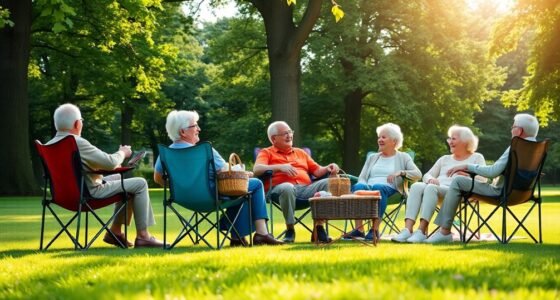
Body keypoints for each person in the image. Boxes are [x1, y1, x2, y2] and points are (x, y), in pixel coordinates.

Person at [153, 110, 284, 246]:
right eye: (195, 126)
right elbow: (227, 172)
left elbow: (158, 178)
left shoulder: (165, 153)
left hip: (182, 199)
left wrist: (181, 188)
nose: (199, 129)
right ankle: (260, 234)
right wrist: (244, 173)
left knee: (239, 193)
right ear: (182, 132)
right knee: (253, 184)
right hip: (211, 197)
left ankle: (237, 237)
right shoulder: (204, 151)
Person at [48, 103, 165, 248]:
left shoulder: (49, 145)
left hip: (62, 196)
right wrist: (123, 152)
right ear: (77, 124)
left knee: (119, 180)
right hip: (89, 193)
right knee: (140, 183)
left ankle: (115, 232)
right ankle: (143, 236)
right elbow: (110, 163)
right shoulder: (76, 142)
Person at [426, 113, 540, 243]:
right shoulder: (536, 148)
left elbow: (492, 172)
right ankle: (445, 230)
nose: (511, 129)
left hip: (501, 192)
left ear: (519, 131)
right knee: (460, 181)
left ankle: (444, 232)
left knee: (458, 180)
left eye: (513, 126)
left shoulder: (516, 146)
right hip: (523, 194)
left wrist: (467, 166)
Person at [391, 125, 485, 243]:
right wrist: (430, 179)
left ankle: (421, 231)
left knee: (431, 188)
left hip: (459, 194)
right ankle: (407, 230)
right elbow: (427, 175)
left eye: (453, 139)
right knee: (416, 186)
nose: (450, 142)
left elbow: (482, 181)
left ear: (466, 141)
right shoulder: (444, 159)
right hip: (436, 190)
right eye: (449, 139)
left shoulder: (477, 157)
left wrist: (467, 177)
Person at [253, 121, 340, 243]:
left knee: (331, 182)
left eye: (290, 132)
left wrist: (329, 167)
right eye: (285, 133)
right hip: (279, 191)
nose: (289, 136)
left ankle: (318, 228)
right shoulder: (266, 152)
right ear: (274, 139)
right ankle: (290, 229)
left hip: (305, 189)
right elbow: (257, 169)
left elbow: (318, 171)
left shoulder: (300, 152)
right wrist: (280, 167)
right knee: (287, 187)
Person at [343, 123, 422, 241]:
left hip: (391, 190)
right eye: (379, 137)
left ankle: (374, 230)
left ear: (394, 141)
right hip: (369, 189)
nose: (380, 140)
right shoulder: (373, 157)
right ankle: (359, 229)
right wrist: (364, 186)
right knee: (359, 185)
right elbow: (362, 177)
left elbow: (418, 174)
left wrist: (401, 172)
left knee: (378, 187)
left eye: (383, 137)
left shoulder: (403, 157)